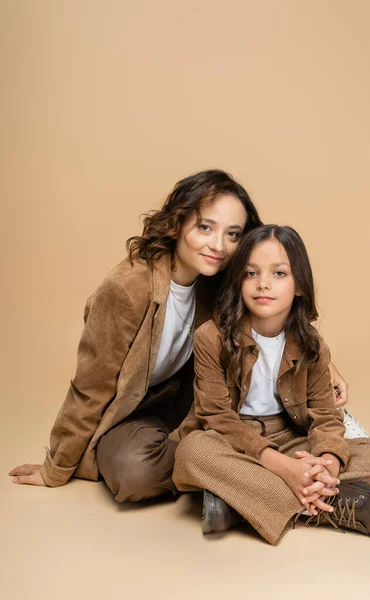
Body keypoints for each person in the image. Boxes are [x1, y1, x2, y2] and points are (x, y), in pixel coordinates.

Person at [9, 173, 348, 501]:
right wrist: (57, 468)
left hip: (200, 406)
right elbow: (90, 389)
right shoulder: (127, 289)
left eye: (233, 234)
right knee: (135, 473)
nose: (218, 245)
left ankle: (274, 476)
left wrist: (326, 364)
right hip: (136, 413)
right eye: (205, 228)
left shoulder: (219, 278)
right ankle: (277, 478)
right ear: (177, 223)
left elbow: (278, 293)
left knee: (330, 440)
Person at [173, 225, 370, 543]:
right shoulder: (211, 337)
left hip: (292, 439)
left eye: (279, 273)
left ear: (299, 286)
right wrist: (282, 467)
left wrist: (328, 464)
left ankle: (237, 506)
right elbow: (216, 416)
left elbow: (325, 415)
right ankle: (342, 506)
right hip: (233, 439)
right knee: (192, 451)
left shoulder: (312, 345)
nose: (263, 283)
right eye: (251, 273)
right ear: (238, 281)